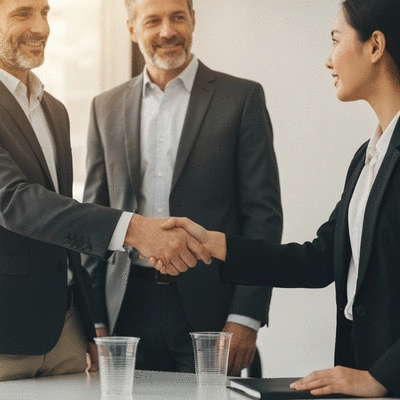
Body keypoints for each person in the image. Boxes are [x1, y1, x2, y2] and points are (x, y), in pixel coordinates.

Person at [154, 0, 400, 396]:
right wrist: (216, 244)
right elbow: (320, 260)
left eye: (336, 40)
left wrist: (383, 376)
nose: (328, 59)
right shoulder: (368, 156)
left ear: (375, 46)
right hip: (359, 369)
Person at [0, 0, 209, 381]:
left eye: (45, 13)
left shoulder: (54, 110)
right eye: (22, 13)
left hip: (65, 332)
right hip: (6, 334)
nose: (40, 27)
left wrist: (89, 319)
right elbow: (15, 202)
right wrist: (134, 229)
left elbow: (64, 229)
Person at [82, 0, 282, 375]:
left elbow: (263, 217)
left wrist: (246, 315)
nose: (167, 31)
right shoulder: (104, 107)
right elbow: (95, 218)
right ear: (131, 29)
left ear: (193, 21)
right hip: (126, 308)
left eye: (178, 17)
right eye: (152, 20)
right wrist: (93, 320)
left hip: (214, 311)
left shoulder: (241, 98)